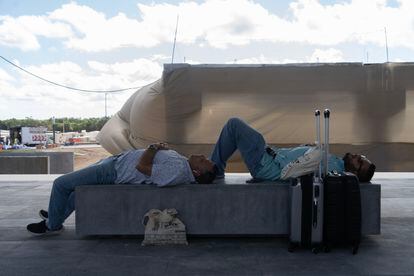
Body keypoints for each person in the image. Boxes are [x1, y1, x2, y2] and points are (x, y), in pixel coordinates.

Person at [27, 142, 216, 235]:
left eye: (205, 161)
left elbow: (142, 168)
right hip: (115, 164)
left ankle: (52, 225)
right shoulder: (182, 165)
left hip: (114, 172)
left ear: (198, 173)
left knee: (61, 184)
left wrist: (152, 149)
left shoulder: (178, 170)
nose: (203, 156)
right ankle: (55, 215)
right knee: (77, 190)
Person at [210, 117, 376, 182]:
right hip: (268, 157)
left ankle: (214, 169)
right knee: (237, 130)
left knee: (234, 125)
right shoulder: (333, 162)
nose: (356, 155)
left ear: (355, 172)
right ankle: (214, 168)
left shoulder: (331, 168)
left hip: (266, 164)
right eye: (360, 156)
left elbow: (294, 171)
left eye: (359, 160)